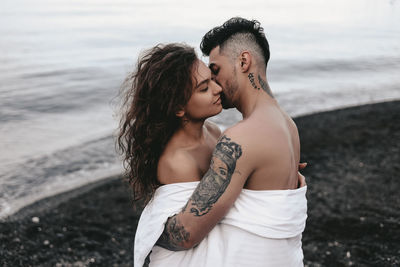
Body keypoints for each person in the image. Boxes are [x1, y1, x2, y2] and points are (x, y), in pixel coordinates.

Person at [149, 17, 308, 266]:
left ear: (243, 61)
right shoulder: (287, 124)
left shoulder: (241, 137)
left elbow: (186, 235)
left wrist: (150, 229)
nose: (216, 86)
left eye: (216, 71)